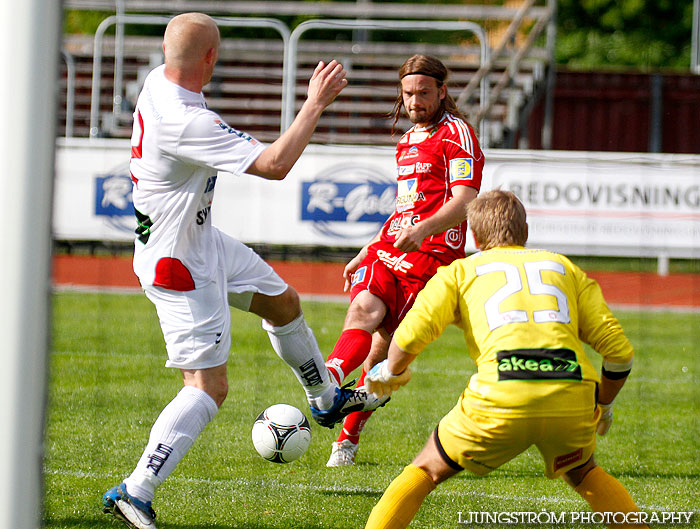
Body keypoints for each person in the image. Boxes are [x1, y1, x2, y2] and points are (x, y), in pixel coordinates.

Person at [101, 13, 383, 529]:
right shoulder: (187, 120)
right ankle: (136, 489)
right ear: (210, 59)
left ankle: (324, 400)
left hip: (199, 238)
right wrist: (314, 104)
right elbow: (275, 164)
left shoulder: (156, 81)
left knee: (284, 304)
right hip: (177, 263)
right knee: (208, 387)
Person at [363, 190, 649, 529]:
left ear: (475, 236)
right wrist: (603, 404)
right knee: (584, 472)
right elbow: (619, 352)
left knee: (426, 469)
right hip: (571, 393)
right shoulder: (565, 268)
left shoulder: (459, 272)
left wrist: (388, 372)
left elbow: (409, 335)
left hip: (500, 395)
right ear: (525, 232)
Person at [318, 54, 485, 467]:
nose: (415, 101)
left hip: (431, 259)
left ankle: (347, 437)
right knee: (362, 310)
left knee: (380, 357)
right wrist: (367, 247)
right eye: (408, 93)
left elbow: (466, 201)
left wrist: (424, 230)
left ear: (442, 91)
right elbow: (403, 207)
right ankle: (326, 383)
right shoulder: (407, 142)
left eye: (424, 93)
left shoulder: (457, 135)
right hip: (392, 247)